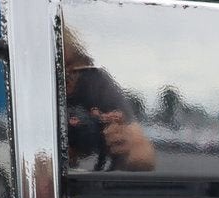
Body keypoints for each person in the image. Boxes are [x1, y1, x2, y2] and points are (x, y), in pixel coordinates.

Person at [63, 28, 155, 171]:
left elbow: (144, 155)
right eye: (58, 70)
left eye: (72, 69)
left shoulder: (93, 81)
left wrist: (124, 144)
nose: (66, 77)